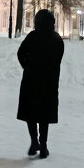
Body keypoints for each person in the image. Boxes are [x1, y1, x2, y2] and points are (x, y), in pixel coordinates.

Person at [16, 9, 64, 159]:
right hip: (48, 83)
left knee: (30, 113)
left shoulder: (32, 37)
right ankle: (43, 146)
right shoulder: (57, 39)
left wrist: (28, 66)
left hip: (31, 81)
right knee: (44, 115)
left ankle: (34, 142)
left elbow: (20, 53)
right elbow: (58, 60)